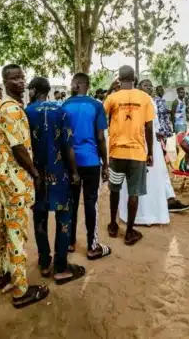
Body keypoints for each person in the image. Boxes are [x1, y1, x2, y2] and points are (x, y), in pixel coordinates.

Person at [0, 64, 50, 308]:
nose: (21, 81)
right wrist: (35, 173)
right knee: (17, 233)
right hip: (16, 180)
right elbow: (18, 149)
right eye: (15, 78)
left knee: (4, 227)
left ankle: (0, 273)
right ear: (5, 82)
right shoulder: (12, 109)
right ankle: (20, 290)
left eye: (22, 77)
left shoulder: (8, 107)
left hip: (7, 178)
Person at [25, 77, 87, 284]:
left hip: (37, 176)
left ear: (34, 90)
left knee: (40, 217)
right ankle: (61, 266)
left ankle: (44, 262)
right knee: (64, 218)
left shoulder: (26, 112)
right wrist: (75, 172)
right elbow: (68, 146)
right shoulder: (62, 111)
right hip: (60, 174)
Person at [119, 80, 189, 226]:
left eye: (150, 85)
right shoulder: (135, 101)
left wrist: (158, 135)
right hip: (142, 143)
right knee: (145, 176)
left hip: (154, 143)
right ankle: (144, 212)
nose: (149, 88)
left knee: (159, 174)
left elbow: (155, 123)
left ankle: (165, 202)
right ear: (138, 87)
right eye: (146, 85)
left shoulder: (151, 101)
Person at [103, 66, 155, 246]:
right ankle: (130, 232)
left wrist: (110, 91)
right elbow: (149, 127)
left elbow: (102, 118)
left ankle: (112, 224)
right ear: (135, 78)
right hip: (137, 154)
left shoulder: (112, 98)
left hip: (116, 153)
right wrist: (151, 153)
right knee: (134, 192)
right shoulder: (145, 98)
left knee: (114, 189)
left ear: (119, 78)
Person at [62, 73, 112, 259]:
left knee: (72, 203)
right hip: (91, 162)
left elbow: (64, 138)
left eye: (71, 83)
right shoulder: (96, 105)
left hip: (72, 162)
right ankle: (92, 246)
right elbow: (100, 138)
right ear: (88, 86)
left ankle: (70, 243)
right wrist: (105, 164)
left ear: (77, 84)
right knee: (91, 202)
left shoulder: (65, 105)